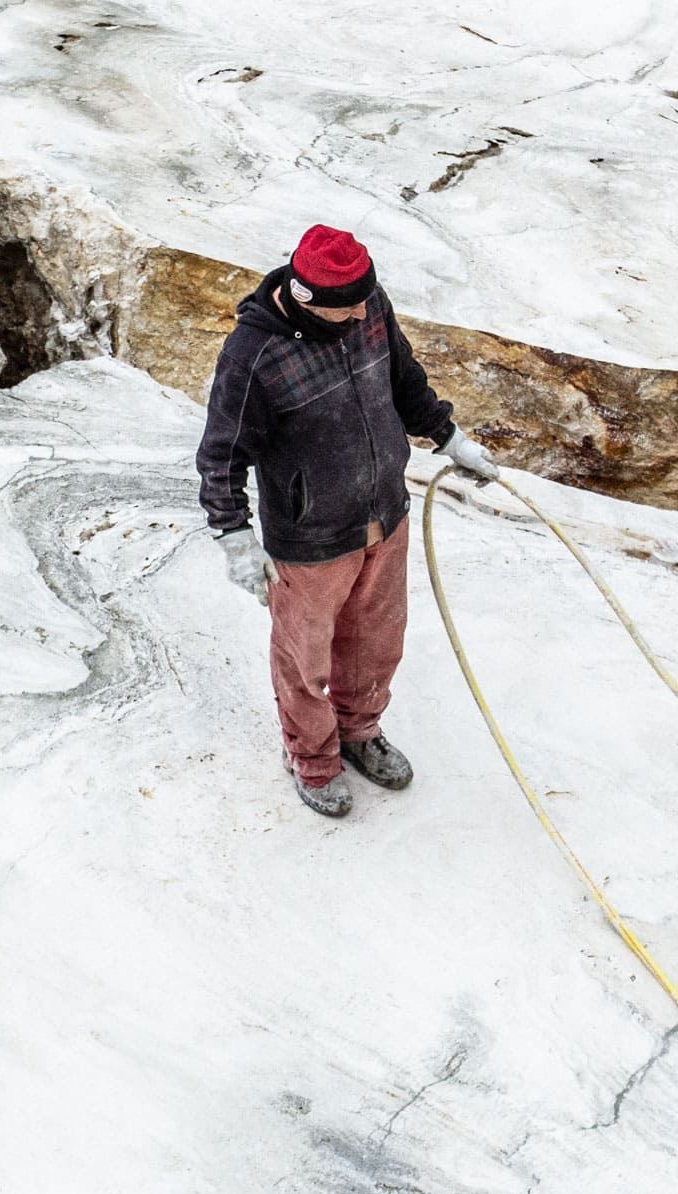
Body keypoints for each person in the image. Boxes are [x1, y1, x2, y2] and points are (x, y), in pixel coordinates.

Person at [196, 224, 503, 818]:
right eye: (350, 306)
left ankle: (359, 731)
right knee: (304, 659)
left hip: (385, 515)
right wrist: (234, 535)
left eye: (367, 298)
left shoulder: (367, 305)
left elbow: (404, 378)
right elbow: (221, 454)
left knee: (376, 643)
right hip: (309, 539)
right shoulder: (253, 355)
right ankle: (312, 756)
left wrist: (449, 437)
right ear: (308, 299)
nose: (364, 312)